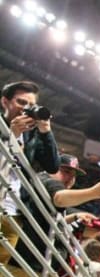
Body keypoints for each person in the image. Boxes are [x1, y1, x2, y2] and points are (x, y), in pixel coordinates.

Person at [0, 80, 59, 266]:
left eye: (31, 106)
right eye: (21, 102)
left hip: (14, 211)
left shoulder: (31, 134)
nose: (26, 109)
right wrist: (13, 135)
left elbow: (52, 166)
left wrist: (45, 131)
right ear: (5, 102)